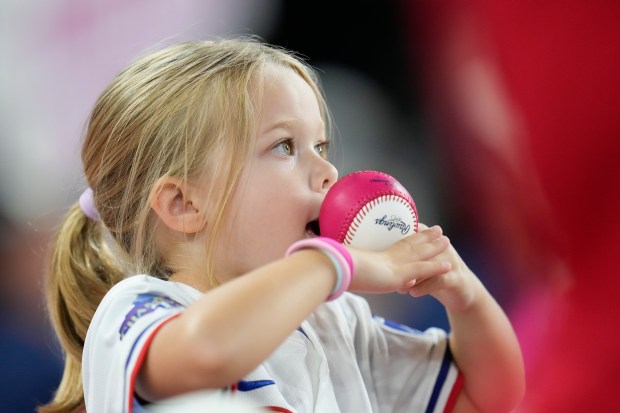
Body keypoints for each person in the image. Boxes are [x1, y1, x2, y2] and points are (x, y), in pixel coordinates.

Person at [39, 37, 524, 413]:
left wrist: (465, 296)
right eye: (284, 147)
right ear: (184, 204)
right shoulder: (139, 309)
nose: (330, 172)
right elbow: (207, 351)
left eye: (322, 147)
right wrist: (334, 266)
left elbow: (486, 398)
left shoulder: (336, 325)